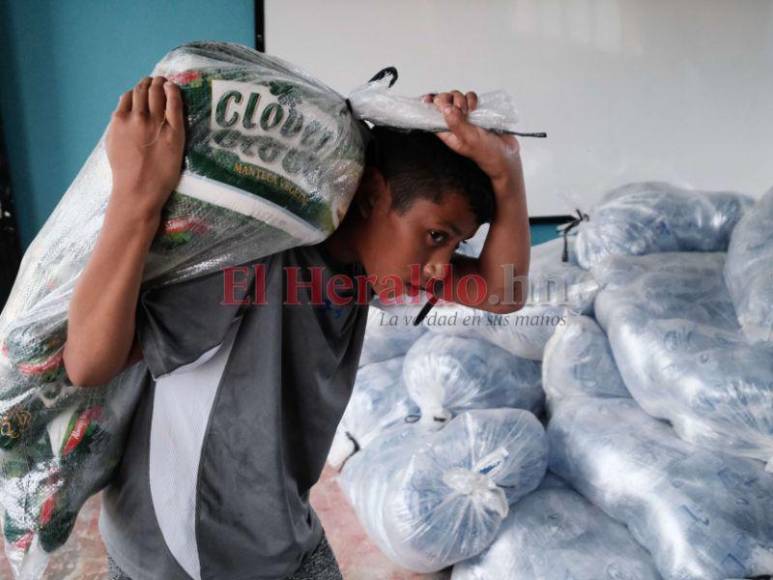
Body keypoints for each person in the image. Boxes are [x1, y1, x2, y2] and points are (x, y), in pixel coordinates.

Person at [62, 75, 530, 580]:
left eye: (454, 245)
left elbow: (501, 292)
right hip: (185, 555)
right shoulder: (254, 262)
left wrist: (508, 174)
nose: (441, 266)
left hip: (280, 534)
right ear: (372, 194)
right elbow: (87, 362)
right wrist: (137, 198)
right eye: (435, 236)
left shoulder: (362, 269)